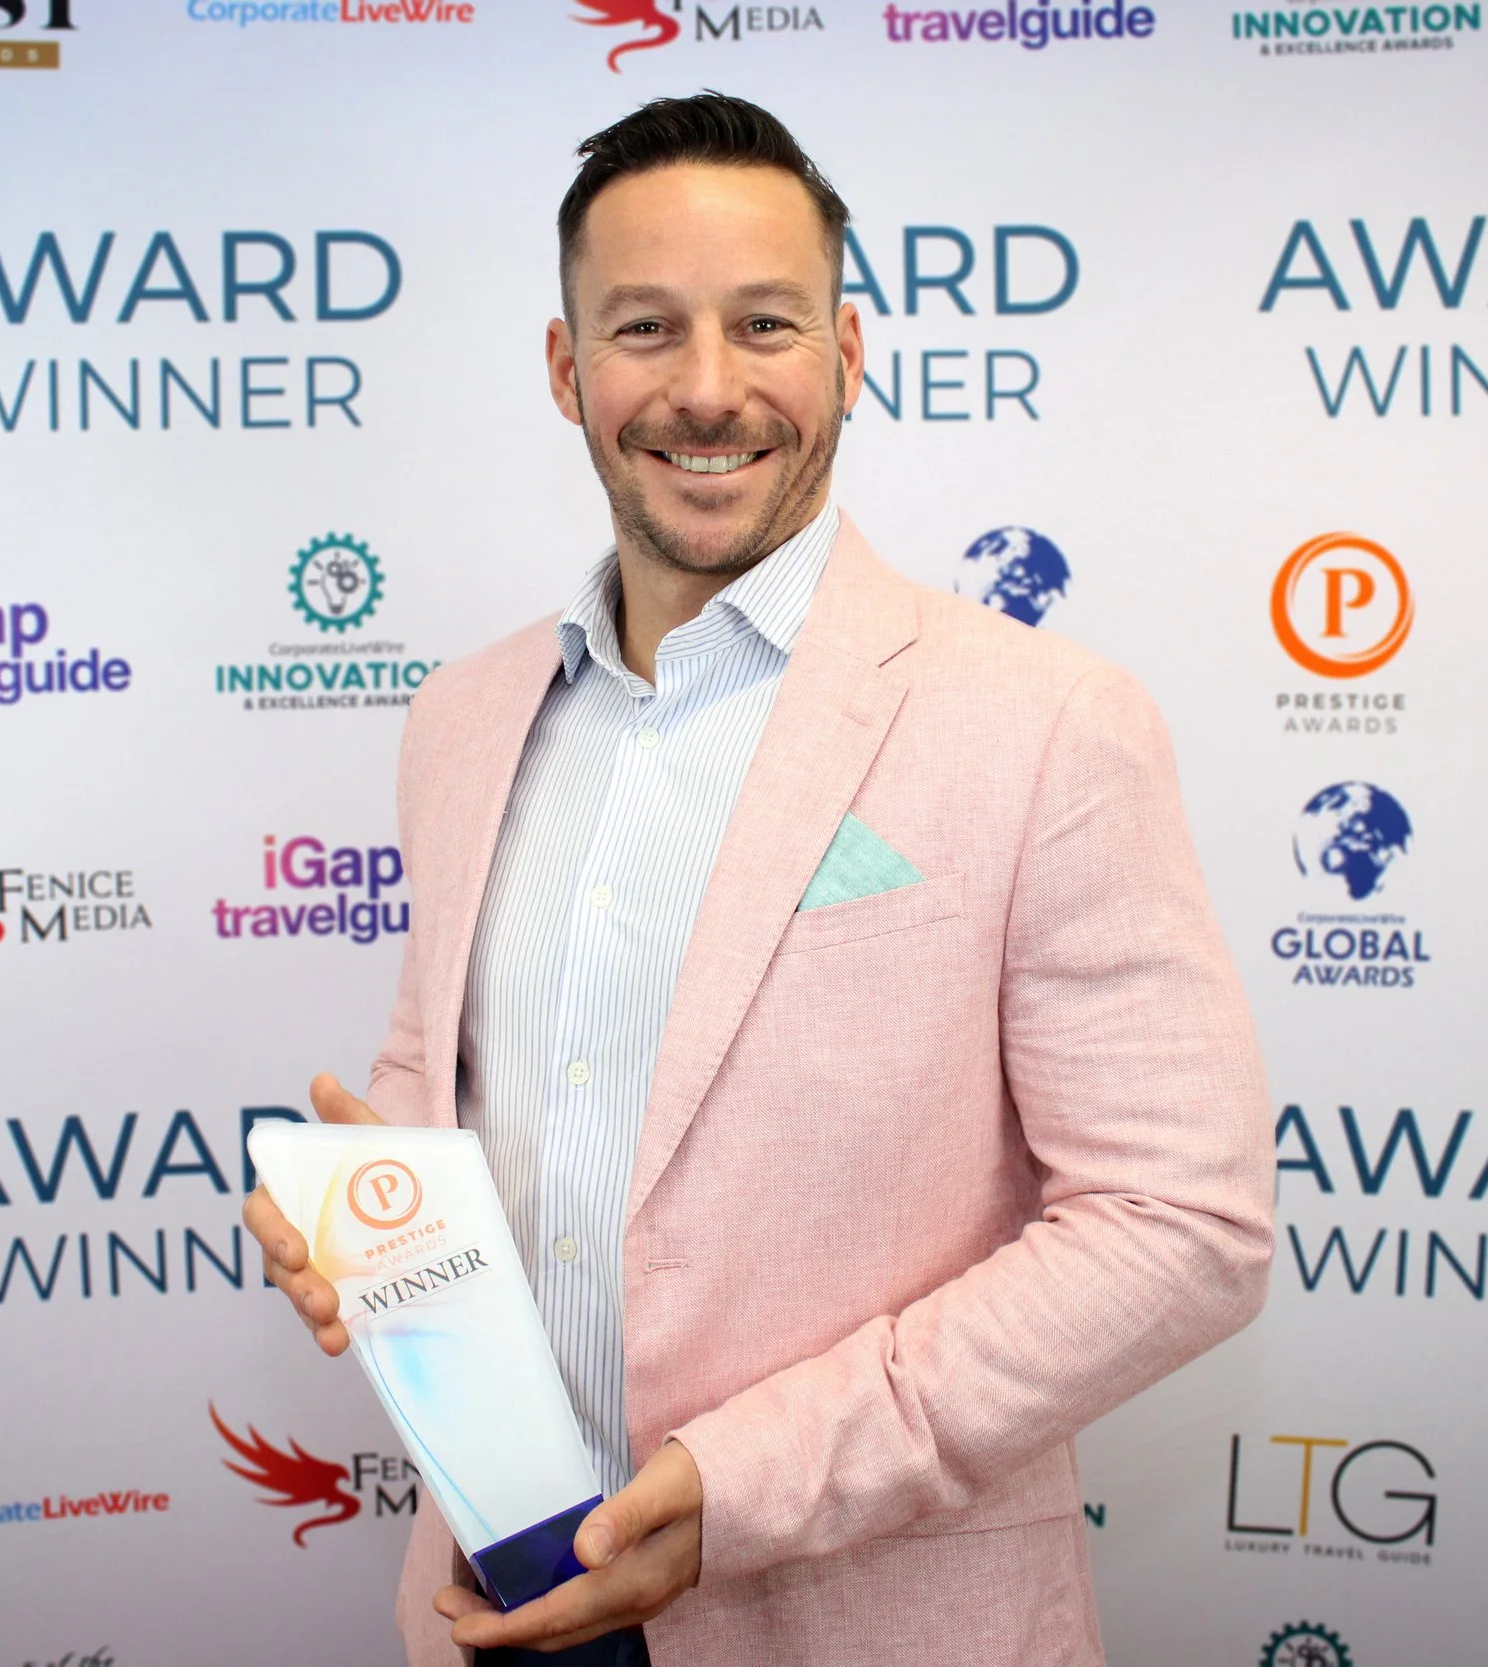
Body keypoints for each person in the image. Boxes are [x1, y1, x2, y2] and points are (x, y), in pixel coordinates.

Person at [245, 93, 1274, 1667]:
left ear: (847, 354)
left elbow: (1181, 1224)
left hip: (873, 1621)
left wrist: (749, 1483)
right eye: (646, 326)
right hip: (494, 1606)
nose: (709, 388)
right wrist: (364, 1222)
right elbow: (450, 1092)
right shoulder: (461, 719)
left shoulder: (1049, 721)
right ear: (567, 369)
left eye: (766, 324)